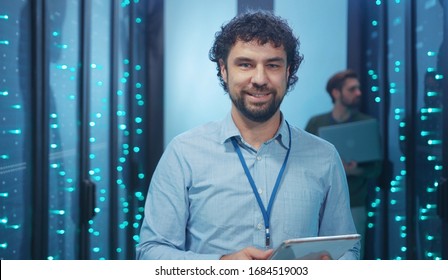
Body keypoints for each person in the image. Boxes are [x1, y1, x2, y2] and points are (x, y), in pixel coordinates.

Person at [136, 11, 359, 260]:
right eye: (245, 64)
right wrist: (221, 266)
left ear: (288, 72)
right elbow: (150, 254)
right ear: (223, 70)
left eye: (273, 65)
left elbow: (347, 249)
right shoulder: (183, 153)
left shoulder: (325, 156)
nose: (260, 79)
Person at [305, 69, 382, 259]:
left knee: (351, 257)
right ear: (336, 93)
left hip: (354, 204)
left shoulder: (366, 124)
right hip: (317, 205)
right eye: (352, 89)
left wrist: (355, 171)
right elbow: (302, 163)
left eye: (358, 89)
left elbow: (377, 169)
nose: (358, 93)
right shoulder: (316, 123)